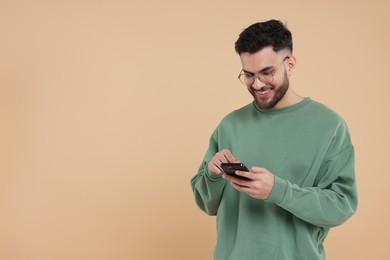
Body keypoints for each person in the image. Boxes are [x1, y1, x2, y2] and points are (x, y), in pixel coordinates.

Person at [190, 19, 358, 260]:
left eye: (267, 73)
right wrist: (213, 174)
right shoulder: (230, 125)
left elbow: (341, 205)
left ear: (290, 64)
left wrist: (278, 191)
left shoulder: (329, 126)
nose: (257, 84)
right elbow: (207, 203)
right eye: (248, 75)